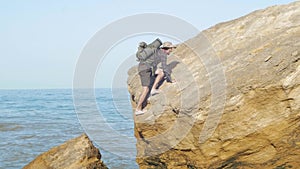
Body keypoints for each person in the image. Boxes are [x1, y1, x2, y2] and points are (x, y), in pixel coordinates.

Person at [135, 41, 176, 115]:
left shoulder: (157, 51)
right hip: (145, 70)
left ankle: (153, 89)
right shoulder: (163, 54)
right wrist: (170, 80)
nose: (171, 50)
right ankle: (138, 109)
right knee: (146, 89)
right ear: (168, 48)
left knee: (161, 72)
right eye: (171, 49)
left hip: (146, 68)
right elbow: (165, 67)